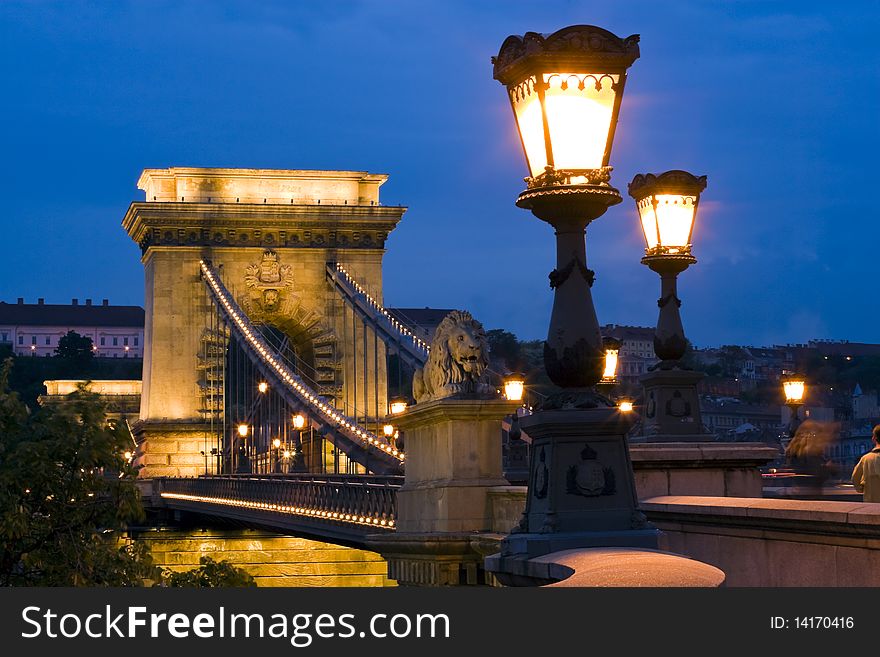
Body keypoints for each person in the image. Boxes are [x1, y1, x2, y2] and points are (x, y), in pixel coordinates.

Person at [852, 425, 880, 502]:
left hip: (871, 503)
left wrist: (861, 488)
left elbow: (855, 478)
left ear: (874, 439)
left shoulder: (866, 459)